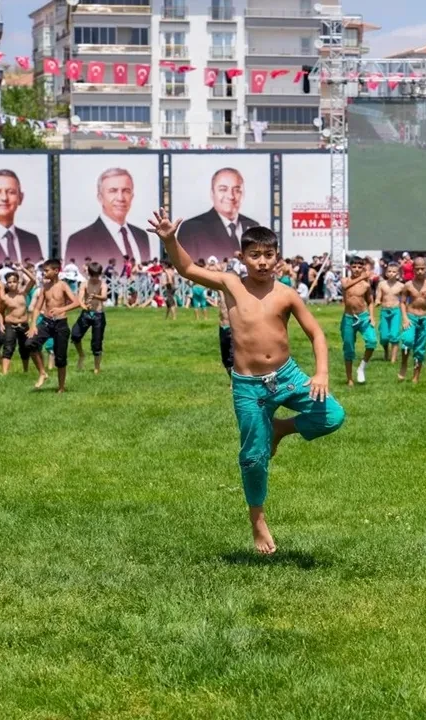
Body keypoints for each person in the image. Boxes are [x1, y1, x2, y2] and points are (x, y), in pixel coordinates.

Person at [148, 208, 345, 555]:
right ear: (242, 257)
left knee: (332, 415)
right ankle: (257, 521)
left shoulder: (286, 294)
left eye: (269, 255)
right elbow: (188, 268)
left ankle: (280, 428)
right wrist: (170, 240)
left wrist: (322, 372)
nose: (262, 262)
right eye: (255, 255)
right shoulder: (230, 284)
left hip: (286, 377)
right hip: (248, 387)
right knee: (253, 458)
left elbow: (316, 333)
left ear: (278, 259)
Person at [65, 168, 150, 266]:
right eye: (113, 191)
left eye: (126, 191)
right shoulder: (79, 240)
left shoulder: (141, 236)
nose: (120, 198)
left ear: (132, 196)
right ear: (100, 197)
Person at [176, 168, 261, 260]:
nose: (231, 196)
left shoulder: (254, 226)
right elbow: (185, 268)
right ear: (212, 193)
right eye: (223, 189)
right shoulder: (192, 229)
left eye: (237, 190)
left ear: (243, 193)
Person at [26, 259, 82, 393]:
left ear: (56, 271)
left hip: (60, 324)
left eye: (46, 270)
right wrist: (33, 325)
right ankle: (42, 373)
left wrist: (61, 310)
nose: (44, 273)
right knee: (30, 343)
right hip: (45, 322)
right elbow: (37, 308)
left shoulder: (63, 285)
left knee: (60, 358)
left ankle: (61, 388)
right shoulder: (45, 287)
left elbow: (77, 302)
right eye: (43, 270)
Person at [399, 257, 426, 384]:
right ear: (413, 270)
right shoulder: (408, 285)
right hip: (411, 316)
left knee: (420, 349)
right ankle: (403, 364)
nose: (419, 272)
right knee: (407, 341)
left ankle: (415, 377)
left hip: (424, 318)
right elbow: (402, 302)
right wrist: (405, 318)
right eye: (417, 269)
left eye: (422, 269)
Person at [340, 256, 377, 386]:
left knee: (372, 341)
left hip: (363, 316)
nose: (356, 269)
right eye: (354, 267)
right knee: (348, 348)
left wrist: (372, 316)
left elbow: (370, 302)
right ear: (350, 267)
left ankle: (362, 367)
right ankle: (349, 378)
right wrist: (363, 276)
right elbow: (345, 287)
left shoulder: (366, 285)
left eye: (359, 267)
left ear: (363, 268)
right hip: (349, 318)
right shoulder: (345, 280)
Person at [72, 262, 108, 374]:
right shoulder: (84, 284)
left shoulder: (103, 284)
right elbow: (80, 298)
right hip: (86, 313)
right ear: (89, 274)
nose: (95, 278)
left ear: (99, 274)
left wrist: (95, 296)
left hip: (98, 315)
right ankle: (81, 355)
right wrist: (83, 305)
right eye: (93, 276)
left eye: (97, 276)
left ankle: (97, 367)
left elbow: (105, 297)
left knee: (97, 343)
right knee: (75, 335)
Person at [0, 268, 34, 376]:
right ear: (6, 284)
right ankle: (4, 372)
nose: (12, 284)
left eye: (14, 282)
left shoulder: (23, 293)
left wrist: (23, 269)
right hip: (10, 325)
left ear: (18, 282)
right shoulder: (5, 298)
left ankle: (25, 370)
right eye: (9, 282)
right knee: (8, 347)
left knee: (25, 348)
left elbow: (33, 280)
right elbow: (0, 312)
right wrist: (1, 324)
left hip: (24, 324)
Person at [374, 264, 404, 362]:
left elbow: (404, 301)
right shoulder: (382, 284)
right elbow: (378, 296)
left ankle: (393, 359)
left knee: (394, 335)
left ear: (398, 274)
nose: (391, 273)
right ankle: (386, 351)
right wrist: (377, 301)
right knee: (384, 336)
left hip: (395, 311)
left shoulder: (401, 286)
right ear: (386, 273)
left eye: (394, 272)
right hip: (384, 311)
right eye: (389, 271)